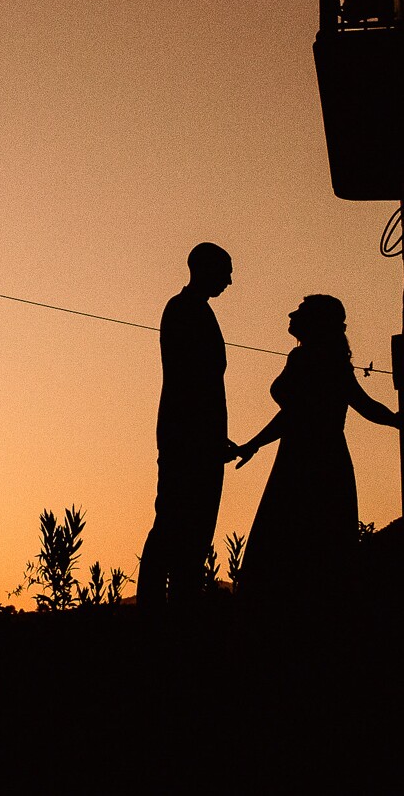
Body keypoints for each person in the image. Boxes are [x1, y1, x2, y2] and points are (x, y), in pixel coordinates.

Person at [232, 294, 401, 607]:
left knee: (291, 545)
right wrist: (396, 421)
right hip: (325, 460)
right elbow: (361, 405)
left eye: (301, 311)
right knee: (321, 548)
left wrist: (253, 444)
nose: (291, 314)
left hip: (304, 463)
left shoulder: (308, 360)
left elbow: (295, 415)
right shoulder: (327, 359)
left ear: (315, 322)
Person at [138, 242, 239, 612]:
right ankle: (156, 611)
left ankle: (182, 606)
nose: (230, 280)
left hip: (199, 436)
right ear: (205, 269)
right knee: (172, 524)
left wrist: (215, 435)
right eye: (225, 271)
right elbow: (190, 381)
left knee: (194, 531)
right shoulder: (183, 310)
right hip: (187, 438)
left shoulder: (194, 310)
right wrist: (204, 435)